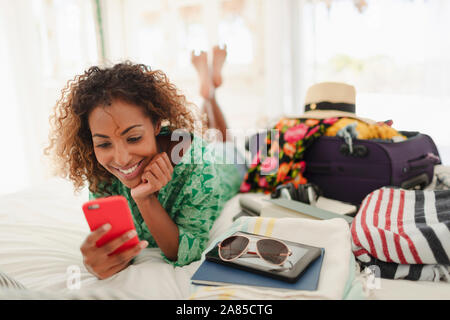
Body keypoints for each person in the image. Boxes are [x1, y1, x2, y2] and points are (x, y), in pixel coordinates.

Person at [43, 45, 243, 280]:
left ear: (157, 124)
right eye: (104, 144)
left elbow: (185, 253)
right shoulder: (101, 172)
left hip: (226, 164)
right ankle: (208, 92)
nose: (121, 158)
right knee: (213, 135)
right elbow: (119, 246)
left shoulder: (198, 166)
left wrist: (146, 200)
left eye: (134, 138)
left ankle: (209, 95)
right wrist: (97, 262)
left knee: (226, 143)